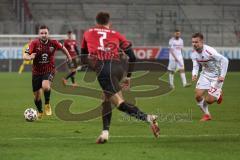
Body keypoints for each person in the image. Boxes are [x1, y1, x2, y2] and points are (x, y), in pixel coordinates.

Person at [81, 12, 160, 144]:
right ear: (108, 23)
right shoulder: (116, 33)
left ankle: (149, 118)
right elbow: (133, 57)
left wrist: (91, 64)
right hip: (118, 67)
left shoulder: (87, 32)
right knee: (106, 99)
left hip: (104, 69)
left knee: (119, 103)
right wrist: (128, 77)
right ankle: (105, 133)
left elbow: (83, 56)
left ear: (96, 22)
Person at [23, 25, 72, 119]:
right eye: (42, 33)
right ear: (39, 34)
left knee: (46, 86)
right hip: (36, 72)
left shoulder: (53, 42)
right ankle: (40, 111)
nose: (44, 35)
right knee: (37, 96)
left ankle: (47, 103)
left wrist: (69, 56)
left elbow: (63, 48)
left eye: (45, 33)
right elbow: (25, 55)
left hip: (49, 70)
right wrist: (30, 57)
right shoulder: (34, 43)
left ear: (48, 33)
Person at [191, 33, 229, 121]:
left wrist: (222, 75)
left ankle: (218, 94)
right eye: (193, 42)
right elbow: (195, 65)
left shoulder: (209, 51)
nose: (194, 44)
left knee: (209, 100)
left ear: (201, 42)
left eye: (196, 42)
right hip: (205, 74)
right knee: (197, 95)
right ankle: (207, 115)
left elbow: (225, 60)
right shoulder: (193, 54)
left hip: (216, 77)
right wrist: (194, 74)